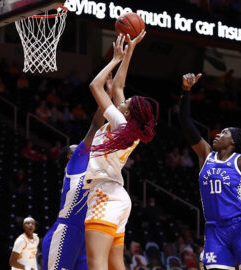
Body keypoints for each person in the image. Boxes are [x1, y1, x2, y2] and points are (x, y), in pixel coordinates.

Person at [179, 73, 241, 270]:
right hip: (214, 230)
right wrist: (186, 91)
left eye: (224, 133)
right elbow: (186, 123)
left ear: (233, 141)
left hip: (240, 227)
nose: (218, 134)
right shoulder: (206, 155)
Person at [84, 32, 159, 270]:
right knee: (116, 264)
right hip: (117, 196)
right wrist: (131, 49)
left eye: (127, 102)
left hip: (105, 193)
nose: (123, 99)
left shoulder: (120, 123)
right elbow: (118, 85)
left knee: (97, 263)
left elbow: (96, 85)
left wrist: (115, 59)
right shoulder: (129, 129)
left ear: (129, 113)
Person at [41, 80, 106, 269]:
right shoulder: (74, 164)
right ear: (70, 156)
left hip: (85, 234)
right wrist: (105, 96)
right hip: (66, 231)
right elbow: (95, 125)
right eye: (76, 148)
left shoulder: (89, 167)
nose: (81, 148)